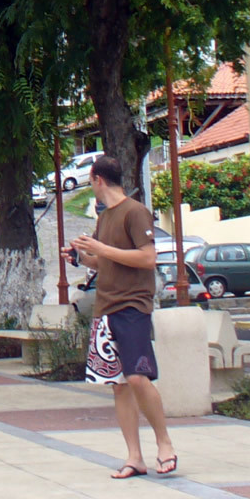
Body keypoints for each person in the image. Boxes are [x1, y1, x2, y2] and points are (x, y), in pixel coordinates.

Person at [69, 155, 178, 479]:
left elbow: (147, 258)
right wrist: (81, 257)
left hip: (132, 306)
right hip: (105, 308)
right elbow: (105, 264)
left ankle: (165, 444)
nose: (91, 186)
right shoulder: (105, 219)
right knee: (118, 385)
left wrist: (100, 250)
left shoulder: (134, 211)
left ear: (97, 179)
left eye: (91, 181)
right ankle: (135, 457)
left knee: (137, 377)